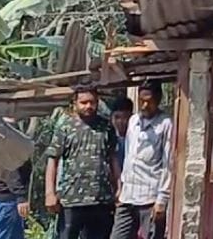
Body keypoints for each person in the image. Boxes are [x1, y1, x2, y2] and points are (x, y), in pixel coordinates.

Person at [46, 84, 119, 239]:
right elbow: (53, 160)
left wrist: (119, 188)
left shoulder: (106, 126)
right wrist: (50, 193)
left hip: (101, 200)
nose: (88, 106)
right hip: (71, 199)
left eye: (92, 102)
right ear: (75, 103)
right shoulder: (65, 127)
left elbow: (113, 158)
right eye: (84, 102)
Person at [112, 82, 173, 239]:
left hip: (149, 198)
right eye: (141, 101)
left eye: (149, 101)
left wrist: (162, 200)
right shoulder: (133, 121)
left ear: (158, 100)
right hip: (128, 197)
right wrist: (121, 187)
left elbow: (168, 164)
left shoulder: (166, 124)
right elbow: (128, 156)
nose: (145, 105)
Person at [108, 96, 134, 172]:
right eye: (117, 117)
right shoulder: (108, 138)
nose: (121, 122)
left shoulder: (137, 139)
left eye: (125, 117)